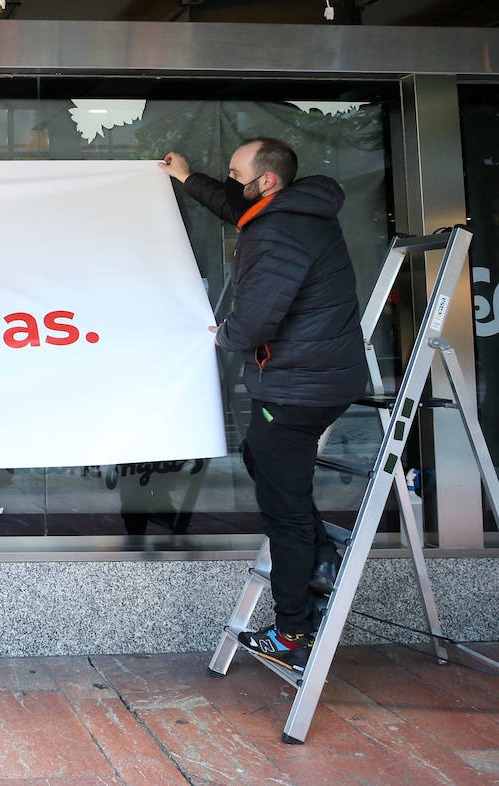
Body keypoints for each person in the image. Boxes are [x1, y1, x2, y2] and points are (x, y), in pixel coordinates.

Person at [160, 138, 368, 671]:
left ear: (266, 180)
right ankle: (320, 553)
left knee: (284, 510)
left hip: (299, 386)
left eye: (236, 172)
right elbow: (236, 207)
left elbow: (257, 317)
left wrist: (223, 335)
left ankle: (294, 632)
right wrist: (186, 178)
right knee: (262, 458)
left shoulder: (278, 231)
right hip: (313, 381)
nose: (230, 182)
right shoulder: (291, 212)